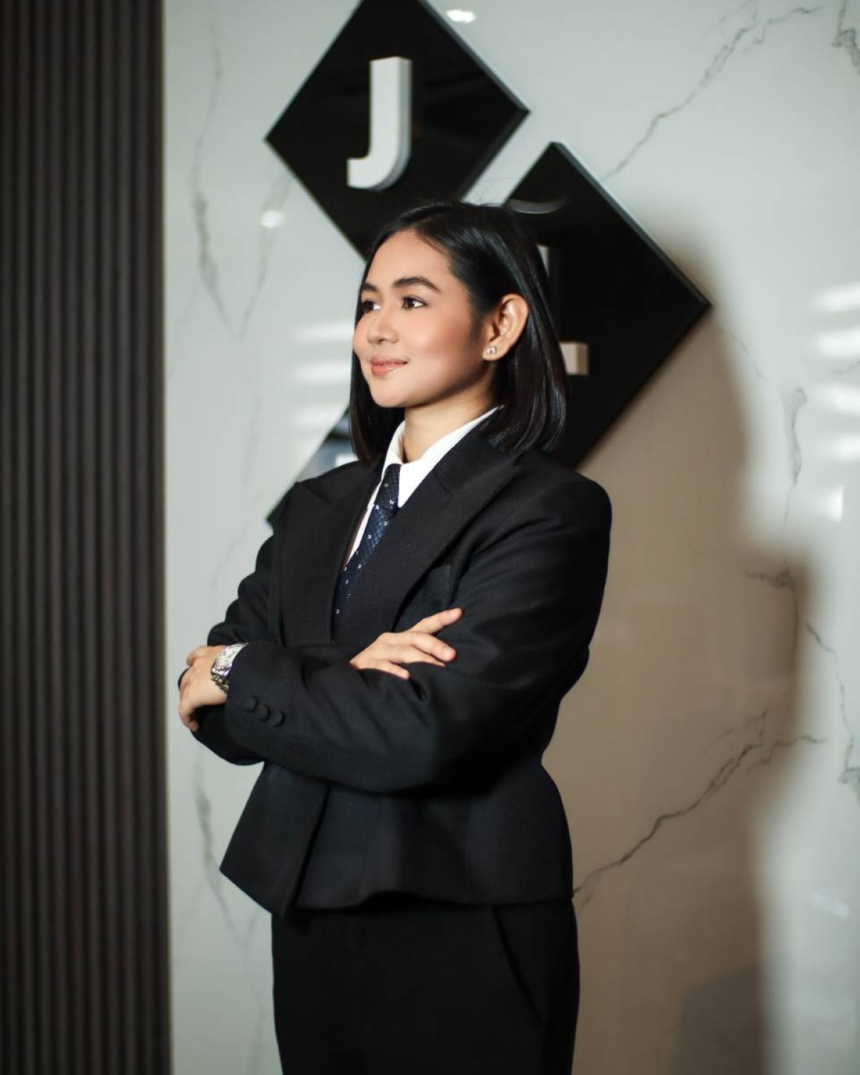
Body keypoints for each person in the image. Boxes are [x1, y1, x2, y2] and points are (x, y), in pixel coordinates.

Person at [177, 199, 612, 1074]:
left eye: (413, 301)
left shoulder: (547, 509)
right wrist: (313, 668)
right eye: (368, 302)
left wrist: (247, 669)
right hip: (308, 911)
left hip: (461, 916)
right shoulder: (320, 506)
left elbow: (418, 731)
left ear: (500, 324)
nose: (377, 328)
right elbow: (211, 714)